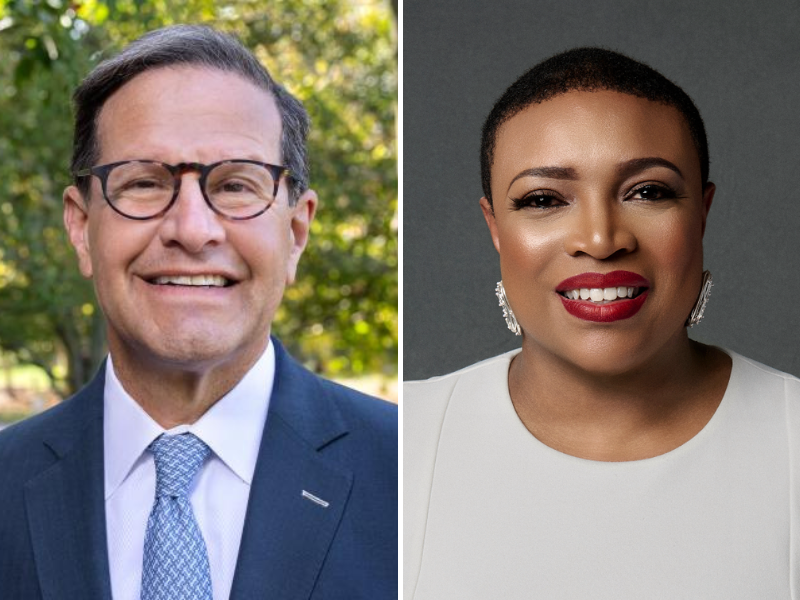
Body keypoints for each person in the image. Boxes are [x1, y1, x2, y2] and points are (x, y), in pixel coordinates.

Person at [0, 25, 397, 599]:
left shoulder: (414, 476)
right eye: (143, 183)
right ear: (82, 228)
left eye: (236, 185)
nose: (192, 229)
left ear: (296, 232)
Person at [404, 47, 800, 599]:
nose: (600, 239)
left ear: (702, 214)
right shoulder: (403, 441)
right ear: (494, 227)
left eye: (648, 192)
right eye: (544, 199)